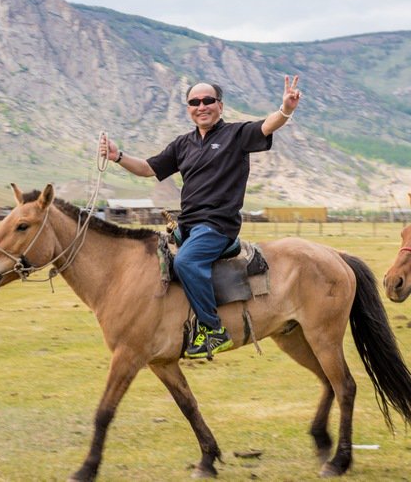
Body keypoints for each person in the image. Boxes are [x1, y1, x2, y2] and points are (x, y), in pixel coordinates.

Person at [100, 76, 302, 359]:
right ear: (188, 109)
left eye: (208, 100)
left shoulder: (236, 134)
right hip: (188, 225)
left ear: (220, 105)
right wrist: (117, 155)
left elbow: (267, 126)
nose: (201, 106)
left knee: (187, 261)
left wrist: (286, 110)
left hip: (218, 226)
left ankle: (213, 329)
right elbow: (147, 168)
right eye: (195, 102)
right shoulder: (183, 144)